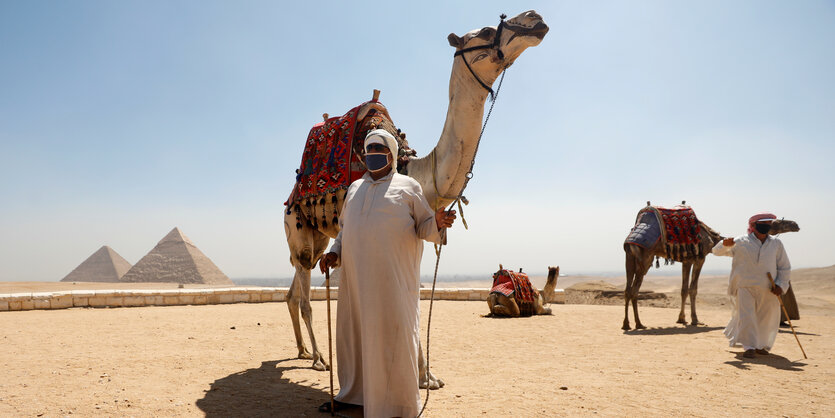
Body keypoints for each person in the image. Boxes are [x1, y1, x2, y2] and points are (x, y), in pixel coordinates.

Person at [318, 129, 456, 416]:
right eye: (369, 149)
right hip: (356, 283)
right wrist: (334, 252)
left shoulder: (409, 187)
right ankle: (353, 395)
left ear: (391, 155)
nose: (373, 154)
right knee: (353, 335)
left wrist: (439, 222)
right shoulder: (355, 189)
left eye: (379, 149)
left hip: (393, 283)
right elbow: (345, 229)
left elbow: (424, 227)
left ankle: (397, 404)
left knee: (393, 336)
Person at [712, 213, 791, 359]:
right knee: (747, 316)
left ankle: (761, 345)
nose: (767, 226)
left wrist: (781, 285)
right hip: (745, 286)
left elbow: (784, 267)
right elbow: (716, 252)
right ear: (753, 225)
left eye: (769, 224)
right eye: (763, 223)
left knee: (766, 317)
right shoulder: (740, 241)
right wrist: (724, 244)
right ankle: (749, 347)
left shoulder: (776, 244)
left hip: (769, 288)